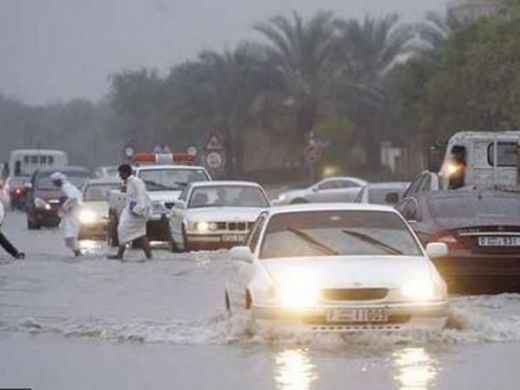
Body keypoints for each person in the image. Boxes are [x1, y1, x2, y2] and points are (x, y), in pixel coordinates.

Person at [108, 164, 152, 260]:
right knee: (140, 233)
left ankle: (120, 254)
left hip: (139, 211)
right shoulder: (128, 183)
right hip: (131, 210)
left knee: (122, 228)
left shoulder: (136, 182)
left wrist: (139, 209)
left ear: (125, 173)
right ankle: (149, 255)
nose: (120, 176)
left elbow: (142, 195)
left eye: (121, 174)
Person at [51, 172, 83, 257]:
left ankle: (78, 252)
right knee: (69, 235)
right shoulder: (67, 187)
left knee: (70, 234)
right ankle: (77, 251)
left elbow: (73, 198)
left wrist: (65, 207)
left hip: (73, 213)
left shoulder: (66, 187)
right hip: (71, 213)